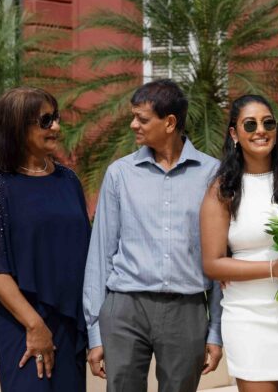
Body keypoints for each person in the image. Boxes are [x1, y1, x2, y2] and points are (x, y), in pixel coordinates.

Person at [82, 79, 223, 392]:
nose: (134, 125)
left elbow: (220, 256)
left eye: (142, 119)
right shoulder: (120, 173)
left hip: (186, 310)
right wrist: (94, 332)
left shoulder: (212, 173)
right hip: (125, 308)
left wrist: (215, 330)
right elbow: (101, 253)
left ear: (170, 122)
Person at [0, 87, 91, 391]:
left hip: (68, 321)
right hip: (22, 323)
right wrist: (34, 325)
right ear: (16, 128)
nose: (56, 127)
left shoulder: (68, 180)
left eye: (56, 118)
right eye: (46, 121)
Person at [201, 95, 278, 392]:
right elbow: (213, 263)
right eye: (250, 124)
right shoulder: (223, 189)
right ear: (234, 133)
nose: (261, 130)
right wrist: (274, 268)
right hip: (250, 319)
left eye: (268, 123)